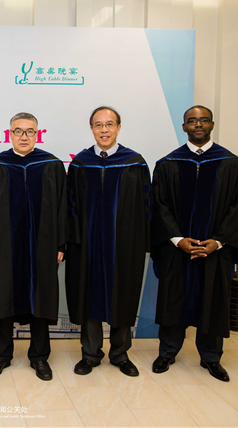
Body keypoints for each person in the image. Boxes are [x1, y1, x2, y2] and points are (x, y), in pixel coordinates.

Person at [151, 105, 238, 382]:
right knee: (174, 299)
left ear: (212, 125)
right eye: (192, 121)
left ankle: (211, 357)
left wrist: (218, 241)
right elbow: (158, 206)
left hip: (215, 250)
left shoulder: (231, 164)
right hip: (177, 250)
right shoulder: (168, 164)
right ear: (184, 126)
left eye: (204, 120)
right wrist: (178, 239)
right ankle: (167, 352)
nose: (198, 124)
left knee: (213, 299)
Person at [0, 112, 68, 381]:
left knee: (41, 299)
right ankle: (3, 354)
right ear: (10, 134)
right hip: (5, 249)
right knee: (4, 298)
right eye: (18, 131)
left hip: (43, 247)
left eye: (29, 131)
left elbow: (63, 207)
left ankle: (39, 357)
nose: (24, 136)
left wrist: (60, 244)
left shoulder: (51, 165)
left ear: (37, 134)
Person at [66, 106, 151, 378]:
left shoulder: (135, 163)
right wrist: (73, 241)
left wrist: (142, 242)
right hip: (87, 245)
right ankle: (90, 354)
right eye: (99, 125)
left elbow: (146, 206)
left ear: (118, 128)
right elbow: (70, 207)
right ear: (92, 129)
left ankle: (120, 354)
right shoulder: (80, 163)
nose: (104, 130)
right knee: (88, 296)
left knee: (122, 295)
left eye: (109, 124)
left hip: (124, 245)